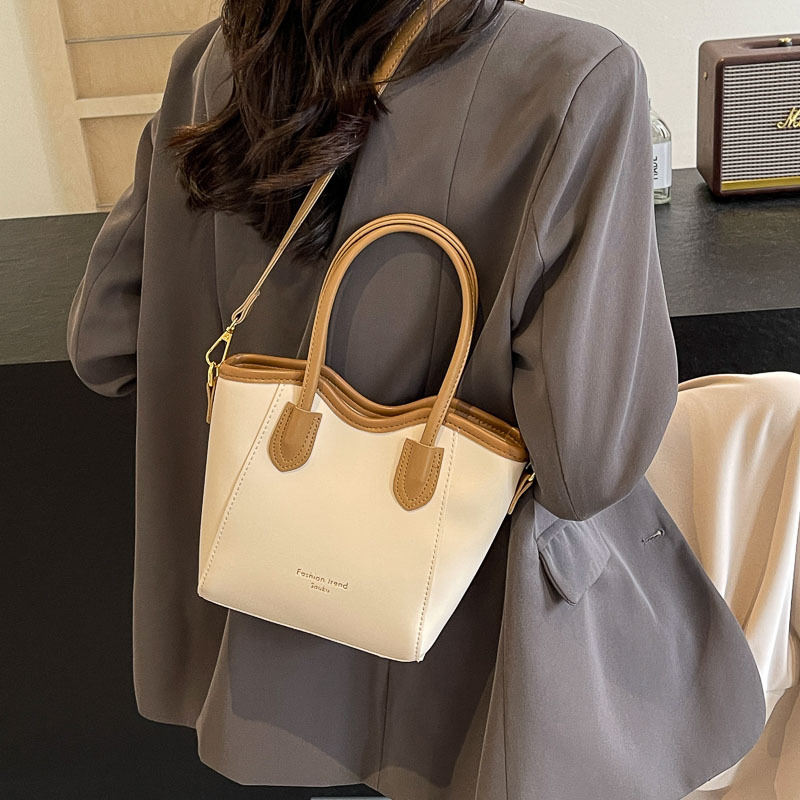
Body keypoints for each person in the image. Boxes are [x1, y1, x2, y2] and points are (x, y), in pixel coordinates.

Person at [65, 1, 776, 797]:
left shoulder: (214, 61)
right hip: (467, 676)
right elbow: (585, 466)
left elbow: (103, 344)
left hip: (258, 657)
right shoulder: (575, 76)